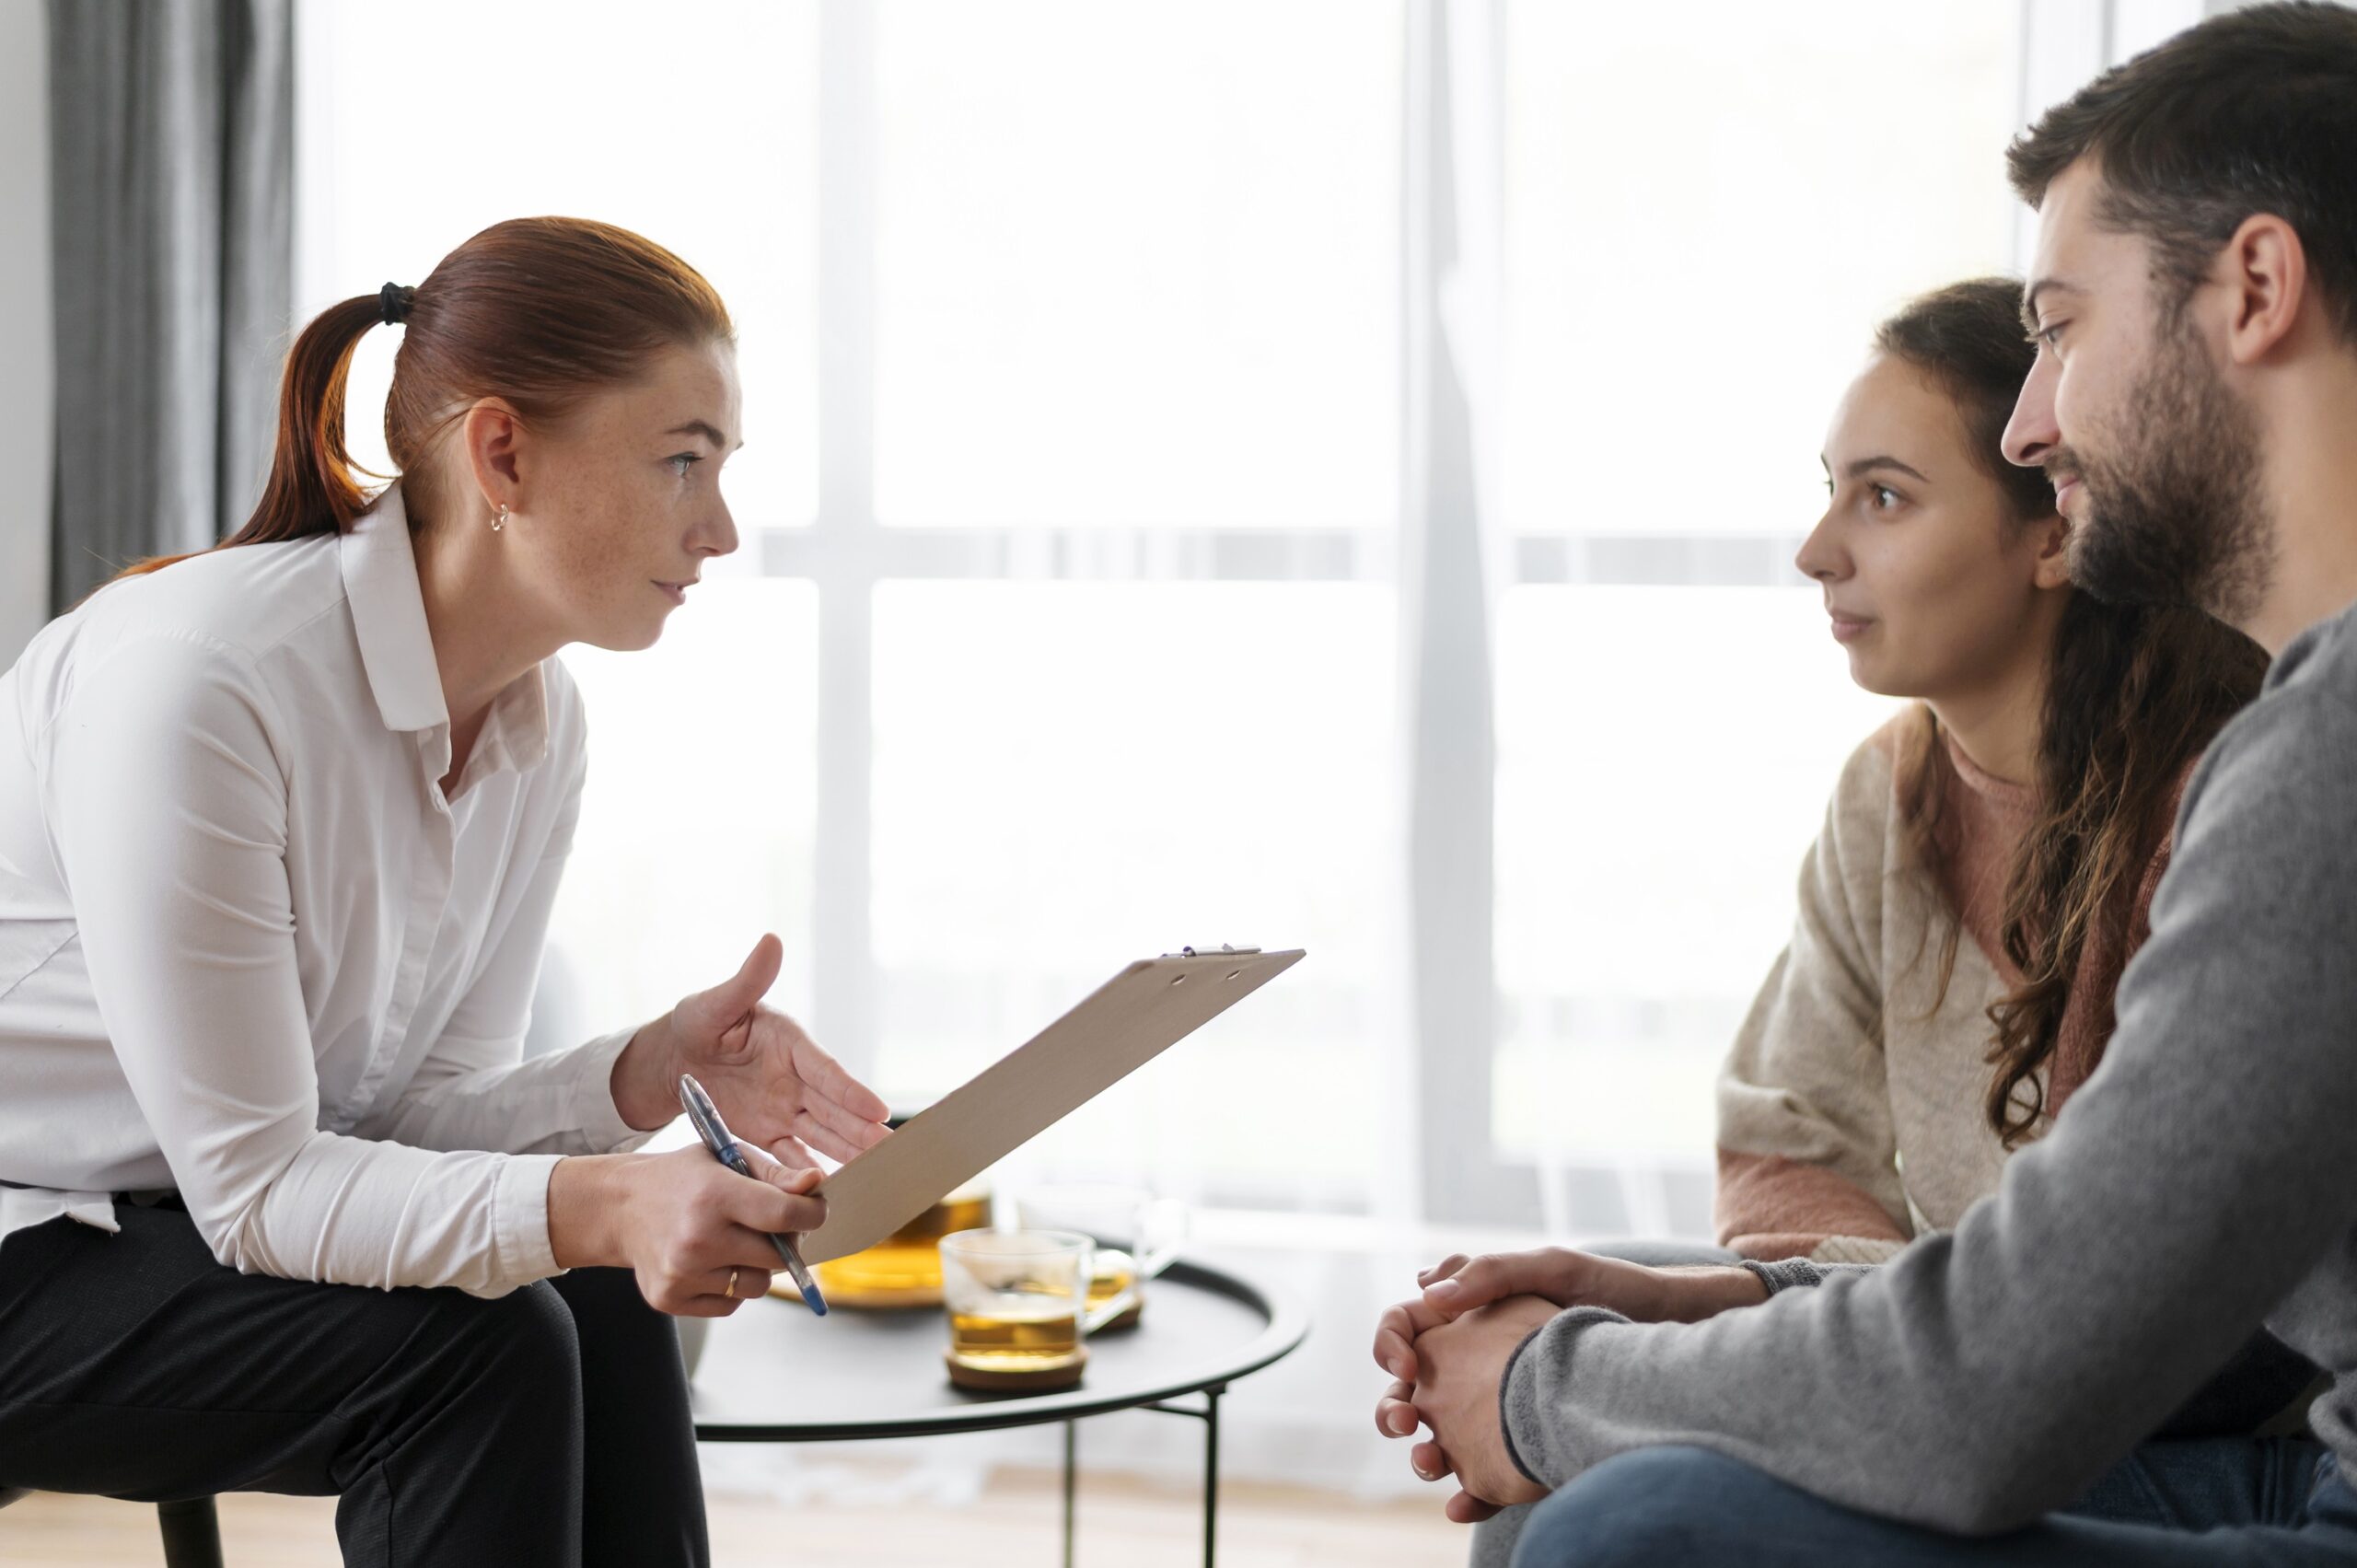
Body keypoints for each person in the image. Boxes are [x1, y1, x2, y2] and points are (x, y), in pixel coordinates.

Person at [1372, 3, 2357, 1561]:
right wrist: (1717, 1305)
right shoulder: (2259, 744)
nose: (2042, 419)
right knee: (1593, 1488)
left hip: (2284, 1474)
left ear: (2252, 287)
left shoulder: (2310, 767)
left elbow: (2026, 1376)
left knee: (1636, 1528)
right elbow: (2031, 1269)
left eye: (2062, 327)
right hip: (2156, 1402)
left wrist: (1554, 1388)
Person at [0, 216, 891, 1567]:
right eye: (681, 464)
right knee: (484, 1348)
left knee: (589, 1293)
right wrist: (609, 1201)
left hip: (167, 1213)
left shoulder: (539, 725)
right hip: (30, 1232)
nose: (718, 529)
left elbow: (403, 1124)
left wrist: (645, 1075)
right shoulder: (200, 680)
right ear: (501, 454)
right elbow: (259, 1189)